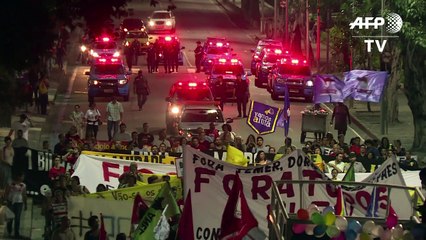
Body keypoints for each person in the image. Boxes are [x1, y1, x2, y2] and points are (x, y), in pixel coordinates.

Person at [5, 172, 27, 238]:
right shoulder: (11, 183)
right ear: (19, 177)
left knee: (17, 218)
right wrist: (5, 200)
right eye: (22, 176)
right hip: (11, 202)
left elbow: (24, 194)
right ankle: (9, 232)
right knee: (10, 217)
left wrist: (25, 204)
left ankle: (16, 233)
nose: (23, 178)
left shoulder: (23, 185)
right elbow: (7, 192)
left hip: (19, 203)